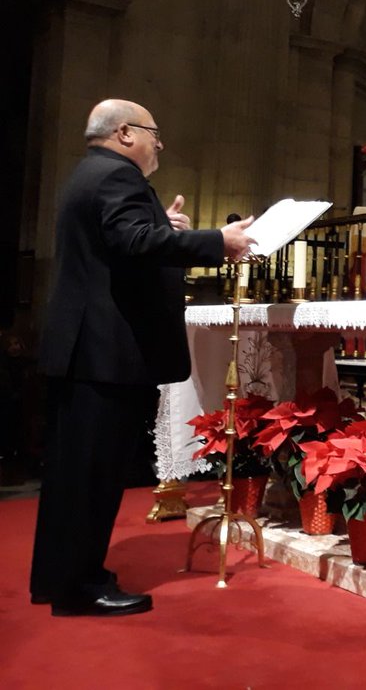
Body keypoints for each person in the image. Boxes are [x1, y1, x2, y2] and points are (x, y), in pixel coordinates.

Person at [31, 99, 255, 617]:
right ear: (127, 132)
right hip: (104, 354)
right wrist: (216, 241)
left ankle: (61, 576)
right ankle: (79, 589)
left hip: (86, 351)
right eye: (155, 134)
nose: (159, 144)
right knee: (93, 476)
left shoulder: (91, 173)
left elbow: (121, 242)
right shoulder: (118, 176)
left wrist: (165, 229)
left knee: (74, 476)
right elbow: (132, 241)